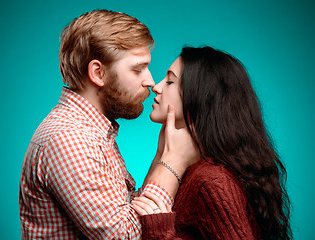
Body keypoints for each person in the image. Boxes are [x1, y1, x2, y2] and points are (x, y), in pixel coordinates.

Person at [19, 10, 199, 239]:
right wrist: (173, 161)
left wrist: (161, 157)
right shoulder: (70, 139)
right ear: (98, 72)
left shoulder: (93, 132)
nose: (150, 81)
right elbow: (125, 235)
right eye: (137, 69)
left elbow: (127, 213)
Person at [131, 46, 292, 240]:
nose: (156, 86)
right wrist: (163, 154)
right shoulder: (192, 168)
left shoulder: (211, 181)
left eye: (170, 81)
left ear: (201, 97)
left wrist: (160, 232)